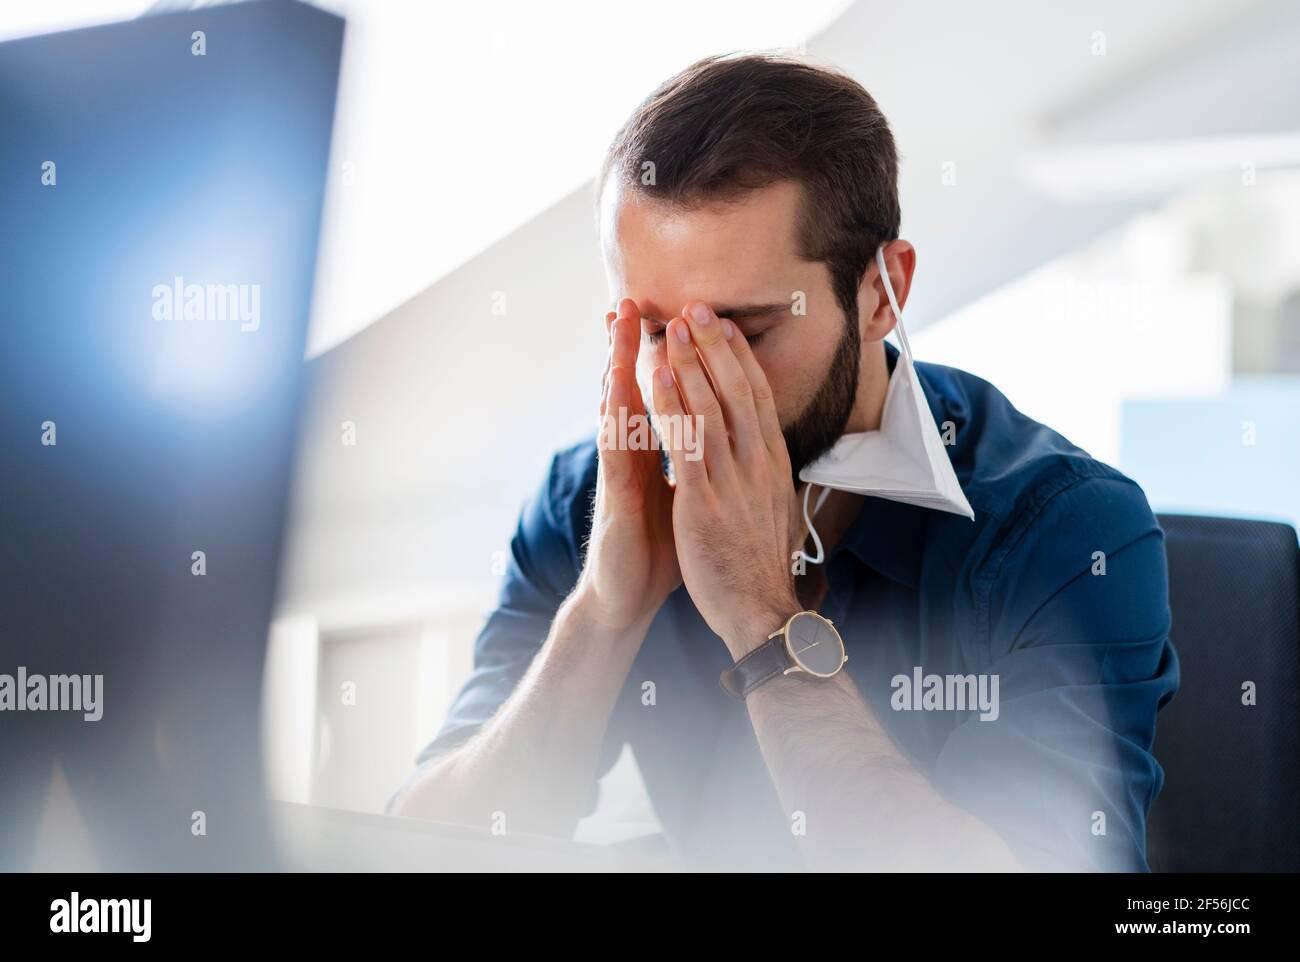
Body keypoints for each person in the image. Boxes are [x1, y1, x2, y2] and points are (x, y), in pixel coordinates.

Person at [388, 53, 1179, 872]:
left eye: (745, 332)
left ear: (882, 294)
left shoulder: (1071, 533)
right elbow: (420, 855)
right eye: (657, 332)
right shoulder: (589, 500)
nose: (689, 387)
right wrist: (604, 610)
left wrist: (764, 620)